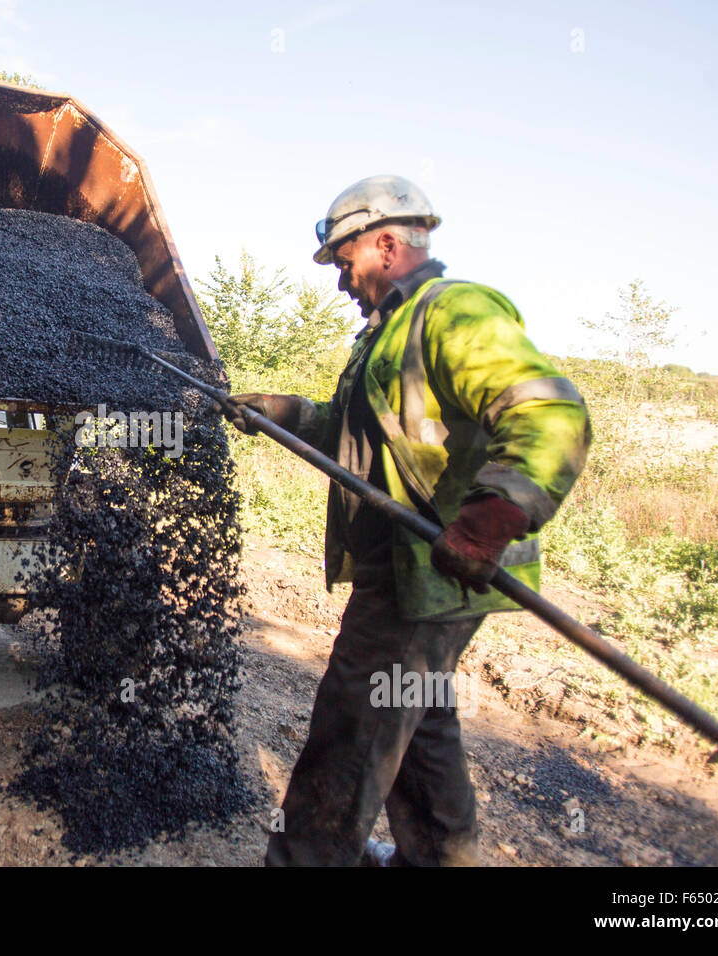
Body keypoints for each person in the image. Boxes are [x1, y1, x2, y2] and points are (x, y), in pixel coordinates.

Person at [224, 175, 591, 866]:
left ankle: (307, 857)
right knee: (419, 722)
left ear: (387, 243)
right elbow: (362, 438)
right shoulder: (388, 335)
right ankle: (436, 856)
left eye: (343, 262)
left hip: (421, 571)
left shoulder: (452, 313)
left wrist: (486, 524)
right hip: (407, 571)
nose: (339, 283)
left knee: (351, 732)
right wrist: (291, 414)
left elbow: (550, 413)